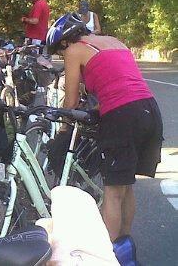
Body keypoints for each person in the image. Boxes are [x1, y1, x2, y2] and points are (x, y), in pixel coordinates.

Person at [45, 13, 163, 251]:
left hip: (123, 116)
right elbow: (121, 84)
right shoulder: (114, 41)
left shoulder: (74, 50)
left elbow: (70, 101)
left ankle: (105, 256)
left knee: (113, 193)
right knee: (126, 186)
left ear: (64, 42)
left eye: (59, 51)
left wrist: (64, 128)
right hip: (149, 110)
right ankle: (124, 250)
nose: (61, 55)